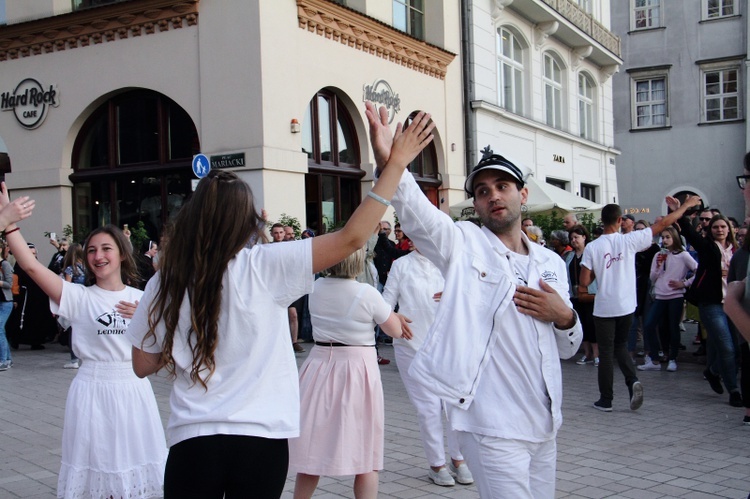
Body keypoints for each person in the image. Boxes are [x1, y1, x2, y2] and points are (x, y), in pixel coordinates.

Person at [126, 111, 433, 498]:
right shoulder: (265, 266)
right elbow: (353, 237)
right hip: (261, 437)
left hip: (193, 437)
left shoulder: (165, 281)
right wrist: (395, 165)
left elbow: (142, 365)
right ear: (246, 222)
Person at [367, 102, 582, 498]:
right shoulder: (464, 244)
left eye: (502, 187)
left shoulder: (549, 261)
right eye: (483, 191)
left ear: (523, 194)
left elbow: (568, 349)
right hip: (491, 425)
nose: (493, 196)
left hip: (546, 424)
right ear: (476, 204)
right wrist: (391, 163)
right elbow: (420, 216)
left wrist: (565, 317)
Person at [0, 184, 167, 499]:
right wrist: (9, 223)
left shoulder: (143, 299)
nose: (98, 256)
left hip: (133, 390)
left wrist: (150, 321)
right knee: (96, 467)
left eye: (106, 248)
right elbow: (32, 266)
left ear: (121, 253)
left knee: (132, 469)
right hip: (91, 388)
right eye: (91, 250)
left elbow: (164, 348)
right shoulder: (77, 296)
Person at [289, 247, 412, 498]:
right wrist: (395, 316)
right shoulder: (366, 292)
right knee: (366, 452)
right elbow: (395, 331)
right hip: (357, 369)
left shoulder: (316, 286)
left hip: (319, 364)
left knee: (313, 448)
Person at [579, 199, 700, 412]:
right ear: (619, 220)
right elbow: (663, 225)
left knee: (606, 352)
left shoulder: (592, 247)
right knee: (621, 345)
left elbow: (584, 282)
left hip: (604, 306)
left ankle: (606, 400)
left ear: (602, 220)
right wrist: (684, 206)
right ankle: (632, 381)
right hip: (627, 305)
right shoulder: (630, 240)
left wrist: (600, 270)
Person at [382, 236, 474, 487]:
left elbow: (473, 300)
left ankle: (459, 459)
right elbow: (385, 303)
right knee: (429, 409)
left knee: (454, 405)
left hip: (448, 346)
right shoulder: (402, 265)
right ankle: (437, 464)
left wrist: (458, 297)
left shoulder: (451, 263)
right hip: (412, 345)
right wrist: (394, 317)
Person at [674, 199, 743, 407]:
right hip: (712, 304)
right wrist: (681, 209)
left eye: (723, 226)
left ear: (729, 229)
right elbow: (688, 231)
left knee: (737, 350)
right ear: (710, 230)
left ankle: (712, 371)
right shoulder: (707, 247)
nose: (720, 230)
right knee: (727, 348)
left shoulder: (737, 250)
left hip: (734, 303)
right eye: (716, 227)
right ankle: (734, 390)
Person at [637, 227, 696, 372]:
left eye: (668, 237)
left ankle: (672, 358)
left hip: (675, 296)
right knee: (650, 325)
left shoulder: (683, 255)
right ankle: (655, 358)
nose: (664, 240)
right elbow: (652, 277)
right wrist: (658, 265)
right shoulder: (659, 254)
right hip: (660, 295)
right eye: (663, 237)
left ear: (674, 238)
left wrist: (684, 283)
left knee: (672, 327)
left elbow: (697, 269)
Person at [565, 225, 598, 367]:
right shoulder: (570, 256)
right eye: (572, 238)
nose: (574, 240)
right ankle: (587, 353)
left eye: (576, 237)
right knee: (581, 324)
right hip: (574, 294)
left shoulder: (591, 253)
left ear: (584, 237)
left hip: (590, 293)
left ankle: (596, 354)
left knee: (592, 323)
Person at [60, 243, 85, 369]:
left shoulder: (71, 269)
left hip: (75, 301)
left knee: (73, 330)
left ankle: (74, 359)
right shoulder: (88, 267)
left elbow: (68, 286)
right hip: (87, 299)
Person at [0, 241, 13, 371]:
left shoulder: (5, 264)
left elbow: (9, 284)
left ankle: (3, 360)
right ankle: (8, 359)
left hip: (5, 301)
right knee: (1, 330)